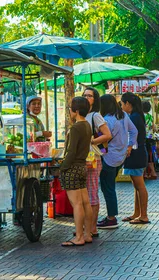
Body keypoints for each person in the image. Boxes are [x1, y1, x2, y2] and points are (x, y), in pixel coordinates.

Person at [97, 94, 137, 229]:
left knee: (108, 188)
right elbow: (134, 131)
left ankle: (111, 218)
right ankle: (111, 216)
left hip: (108, 157)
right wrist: (130, 145)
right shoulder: (124, 116)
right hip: (120, 157)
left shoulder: (107, 120)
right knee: (110, 187)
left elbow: (104, 139)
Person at [60, 96, 94, 247]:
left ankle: (79, 236)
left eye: (71, 107)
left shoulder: (75, 128)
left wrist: (63, 167)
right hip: (82, 167)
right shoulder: (87, 125)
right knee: (85, 202)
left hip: (73, 167)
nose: (70, 110)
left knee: (77, 204)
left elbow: (71, 151)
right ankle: (87, 234)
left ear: (76, 110)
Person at [83, 87, 112, 236]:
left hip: (93, 158)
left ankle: (92, 228)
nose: (87, 98)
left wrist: (92, 140)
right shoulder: (83, 115)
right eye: (85, 95)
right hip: (82, 159)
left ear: (95, 100)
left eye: (90, 96)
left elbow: (107, 135)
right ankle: (87, 227)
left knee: (92, 192)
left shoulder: (95, 115)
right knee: (85, 194)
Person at [120, 92, 150, 225]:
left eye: (122, 104)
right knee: (136, 185)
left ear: (128, 104)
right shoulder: (135, 115)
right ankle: (137, 213)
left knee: (140, 185)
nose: (121, 106)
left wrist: (129, 147)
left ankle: (144, 215)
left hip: (136, 153)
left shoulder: (134, 117)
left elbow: (132, 135)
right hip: (137, 153)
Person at [142, 101, 157, 180]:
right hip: (151, 138)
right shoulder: (151, 116)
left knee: (144, 156)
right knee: (150, 156)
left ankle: (144, 174)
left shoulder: (141, 116)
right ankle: (153, 172)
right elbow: (154, 128)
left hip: (144, 138)